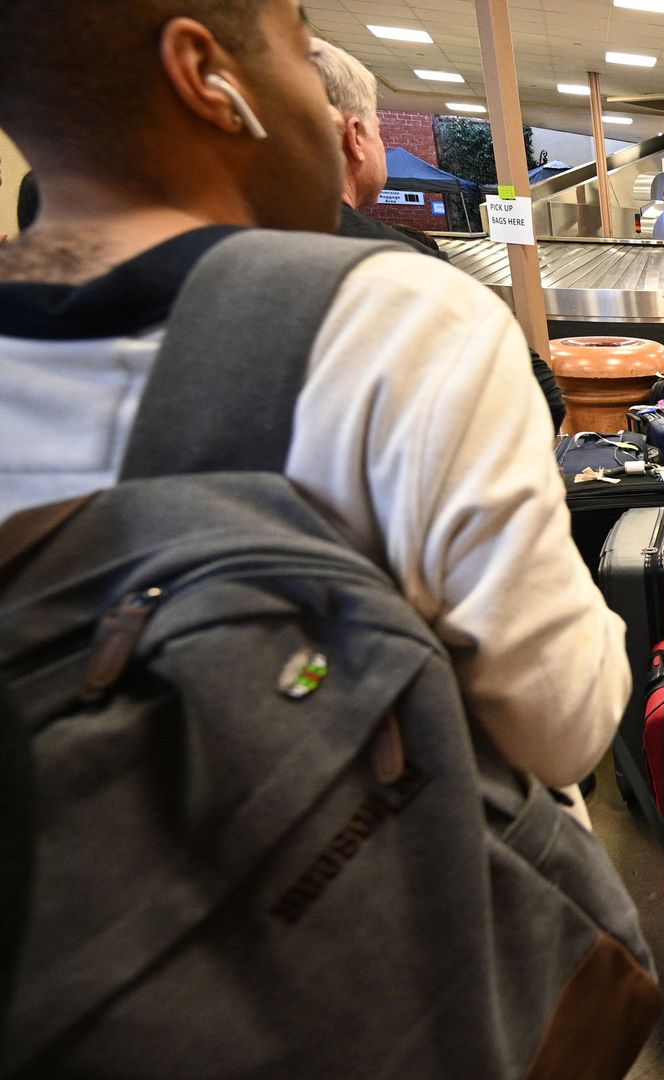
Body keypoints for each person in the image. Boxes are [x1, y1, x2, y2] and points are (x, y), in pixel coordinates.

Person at [0, 0, 627, 793]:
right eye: (300, 54)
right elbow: (560, 724)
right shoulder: (399, 320)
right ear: (204, 76)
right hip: (390, 887)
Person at [310, 38, 565, 426]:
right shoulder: (399, 265)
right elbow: (539, 395)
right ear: (354, 137)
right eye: (380, 131)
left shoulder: (209, 258)